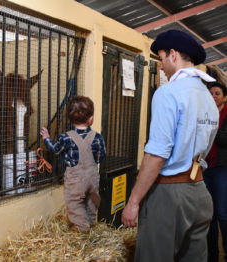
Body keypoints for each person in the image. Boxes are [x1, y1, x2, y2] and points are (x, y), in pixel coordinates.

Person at [121, 29, 219, 262]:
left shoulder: (168, 93)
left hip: (169, 194)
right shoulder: (209, 98)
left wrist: (133, 202)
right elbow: (206, 146)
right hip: (200, 192)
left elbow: (157, 154)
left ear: (173, 55)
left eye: (161, 58)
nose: (161, 66)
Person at [40, 95, 106, 232]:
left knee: (75, 203)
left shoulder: (66, 137)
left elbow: (55, 150)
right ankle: (91, 223)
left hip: (75, 178)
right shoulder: (98, 137)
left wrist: (46, 138)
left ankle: (82, 231)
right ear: (91, 119)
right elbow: (101, 157)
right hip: (93, 176)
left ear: (70, 119)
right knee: (91, 202)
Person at [204, 81, 227, 262]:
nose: (213, 96)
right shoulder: (205, 112)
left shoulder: (226, 115)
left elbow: (223, 139)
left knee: (222, 213)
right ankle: (212, 255)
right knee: (208, 214)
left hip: (222, 169)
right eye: (210, 93)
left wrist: (210, 122)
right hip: (205, 167)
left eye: (217, 93)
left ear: (224, 97)